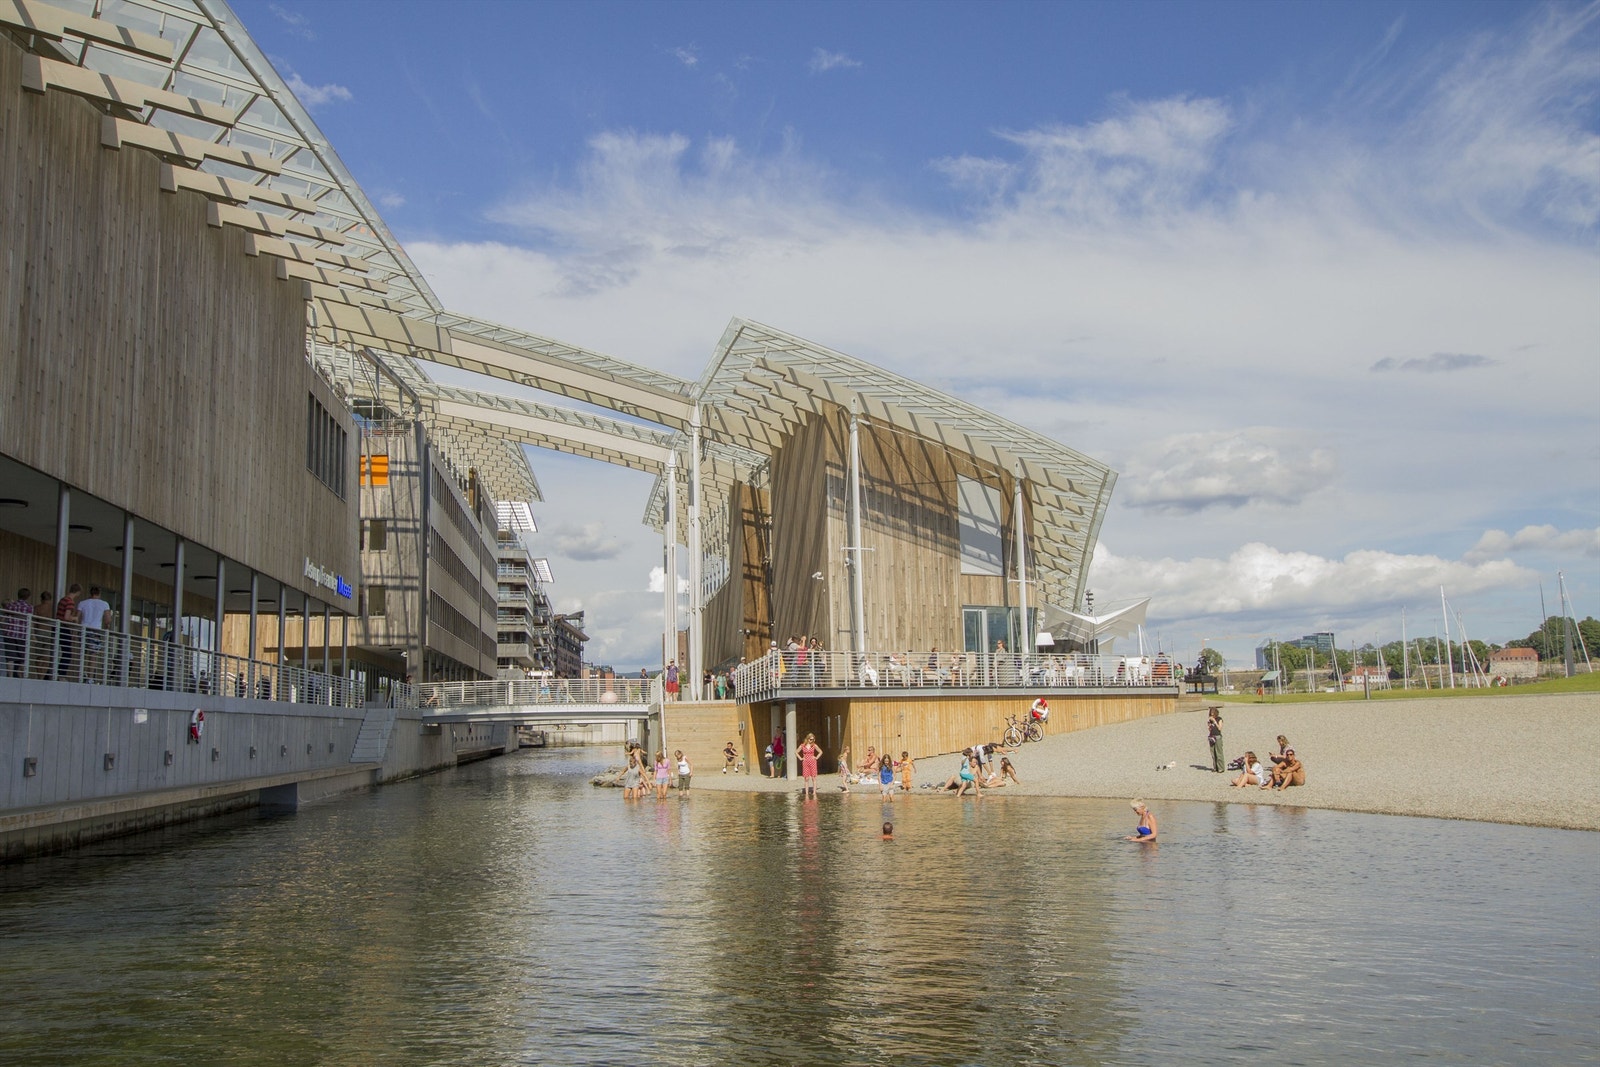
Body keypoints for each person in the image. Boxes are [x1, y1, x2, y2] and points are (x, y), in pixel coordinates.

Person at [77, 585, 111, 674]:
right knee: (93, 654)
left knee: (82, 652)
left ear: (90, 593)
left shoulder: (82, 603)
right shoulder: (104, 604)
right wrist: (107, 627)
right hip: (95, 630)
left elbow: (77, 617)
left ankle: (81, 673)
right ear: (99, 594)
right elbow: (107, 620)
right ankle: (90, 676)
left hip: (84, 629)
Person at [2, 587, 31, 678]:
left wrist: (11, 601)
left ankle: (10, 676)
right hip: (22, 635)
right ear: (28, 597)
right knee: (22, 658)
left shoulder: (11, 606)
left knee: (10, 657)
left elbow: (4, 605)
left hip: (10, 633)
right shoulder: (29, 608)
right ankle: (21, 675)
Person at [55, 583, 81, 679]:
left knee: (57, 650)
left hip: (57, 627)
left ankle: (53, 673)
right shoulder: (70, 602)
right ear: (78, 592)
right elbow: (66, 617)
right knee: (67, 652)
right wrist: (74, 618)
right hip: (63, 627)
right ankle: (61, 674)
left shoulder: (62, 599)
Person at [798, 733, 822, 798]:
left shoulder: (814, 745)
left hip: (813, 762)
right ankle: (806, 793)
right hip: (805, 762)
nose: (812, 741)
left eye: (813, 739)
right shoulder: (803, 745)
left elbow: (820, 752)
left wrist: (816, 757)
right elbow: (796, 752)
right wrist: (801, 758)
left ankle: (814, 792)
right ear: (808, 739)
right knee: (806, 778)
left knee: (813, 777)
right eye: (811, 739)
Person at [1207, 707, 1225, 773]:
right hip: (1211, 736)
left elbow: (1219, 728)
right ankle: (1215, 767)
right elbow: (1209, 729)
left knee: (1219, 753)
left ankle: (1221, 768)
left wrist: (1214, 721)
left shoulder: (1219, 719)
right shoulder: (1210, 720)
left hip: (1217, 736)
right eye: (1211, 713)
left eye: (1213, 713)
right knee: (1213, 753)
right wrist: (1209, 724)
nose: (1212, 714)